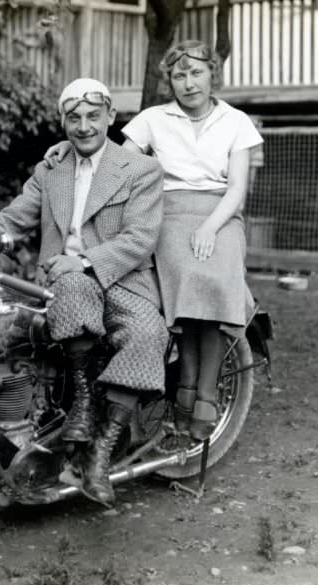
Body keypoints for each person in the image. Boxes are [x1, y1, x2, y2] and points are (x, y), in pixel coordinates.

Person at [45, 40, 264, 442]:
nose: (189, 83)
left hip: (220, 213)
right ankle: (183, 391)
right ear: (170, 82)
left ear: (212, 74)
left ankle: (206, 394)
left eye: (196, 73)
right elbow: (113, 161)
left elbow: (236, 190)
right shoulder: (153, 119)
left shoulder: (236, 122)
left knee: (215, 278)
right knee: (182, 282)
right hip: (167, 212)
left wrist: (210, 227)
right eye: (179, 75)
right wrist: (71, 146)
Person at [0, 78, 168, 506]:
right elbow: (14, 218)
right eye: (74, 118)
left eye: (93, 117)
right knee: (67, 291)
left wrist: (83, 260)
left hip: (123, 281)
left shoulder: (141, 170)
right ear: (63, 122)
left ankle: (100, 450)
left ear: (110, 118)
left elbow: (140, 238)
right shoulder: (51, 170)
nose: (84, 127)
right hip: (64, 285)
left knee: (148, 334)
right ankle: (81, 403)